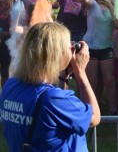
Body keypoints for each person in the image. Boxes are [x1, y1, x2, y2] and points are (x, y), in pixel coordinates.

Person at [0, 22, 100, 151]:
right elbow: (94, 117)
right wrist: (80, 72)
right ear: (58, 54)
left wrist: (63, 78)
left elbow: (52, 116)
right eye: (69, 46)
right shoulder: (52, 99)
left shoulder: (10, 86)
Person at [68, 0, 118, 116]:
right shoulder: (92, 5)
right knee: (91, 80)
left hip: (106, 48)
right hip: (90, 47)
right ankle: (90, 109)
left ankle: (113, 110)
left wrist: (111, 7)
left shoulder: (114, 8)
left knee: (109, 80)